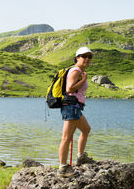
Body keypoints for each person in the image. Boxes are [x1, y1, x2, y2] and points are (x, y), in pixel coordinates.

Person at [57, 47, 95, 178]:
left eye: (89, 57)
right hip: (71, 106)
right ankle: (63, 168)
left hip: (76, 107)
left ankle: (80, 157)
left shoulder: (80, 71)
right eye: (84, 56)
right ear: (77, 57)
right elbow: (69, 89)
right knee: (66, 138)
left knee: (86, 129)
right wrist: (83, 81)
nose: (87, 59)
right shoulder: (75, 70)